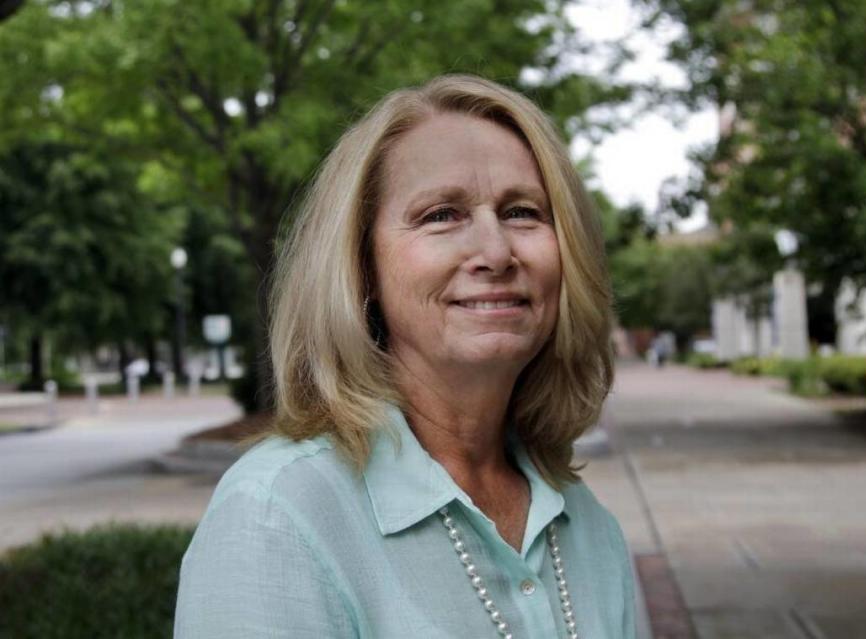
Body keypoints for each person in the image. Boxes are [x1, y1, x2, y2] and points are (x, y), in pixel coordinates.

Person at [174, 74, 651, 638]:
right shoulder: (276, 514)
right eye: (441, 214)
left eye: (522, 212)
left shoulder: (588, 526)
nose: (495, 252)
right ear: (362, 268)